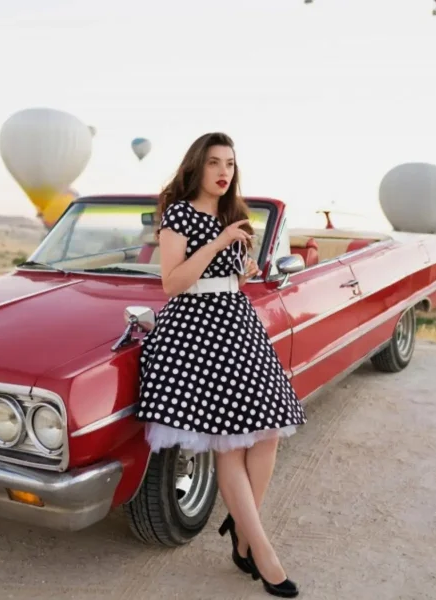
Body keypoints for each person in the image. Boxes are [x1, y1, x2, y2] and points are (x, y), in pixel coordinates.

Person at [135, 132, 307, 597]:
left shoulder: (233, 214)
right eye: (214, 162)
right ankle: (262, 552)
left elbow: (232, 274)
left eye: (229, 162)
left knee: (269, 430)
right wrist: (218, 243)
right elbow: (173, 283)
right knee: (230, 445)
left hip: (237, 322)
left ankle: (240, 528)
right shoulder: (179, 215)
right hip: (196, 330)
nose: (223, 171)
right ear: (197, 166)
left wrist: (242, 266)